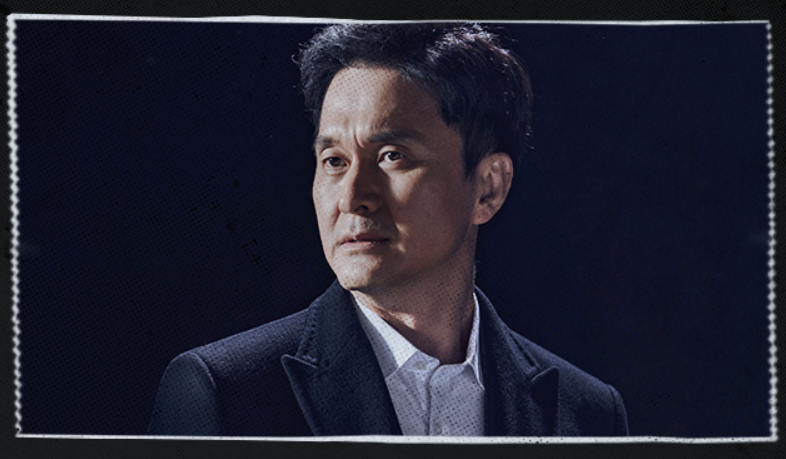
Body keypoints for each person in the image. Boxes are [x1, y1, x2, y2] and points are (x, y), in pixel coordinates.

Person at [148, 23, 629, 437]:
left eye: (391, 156)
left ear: (488, 187)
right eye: (334, 161)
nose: (352, 197)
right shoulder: (224, 394)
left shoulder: (588, 413)